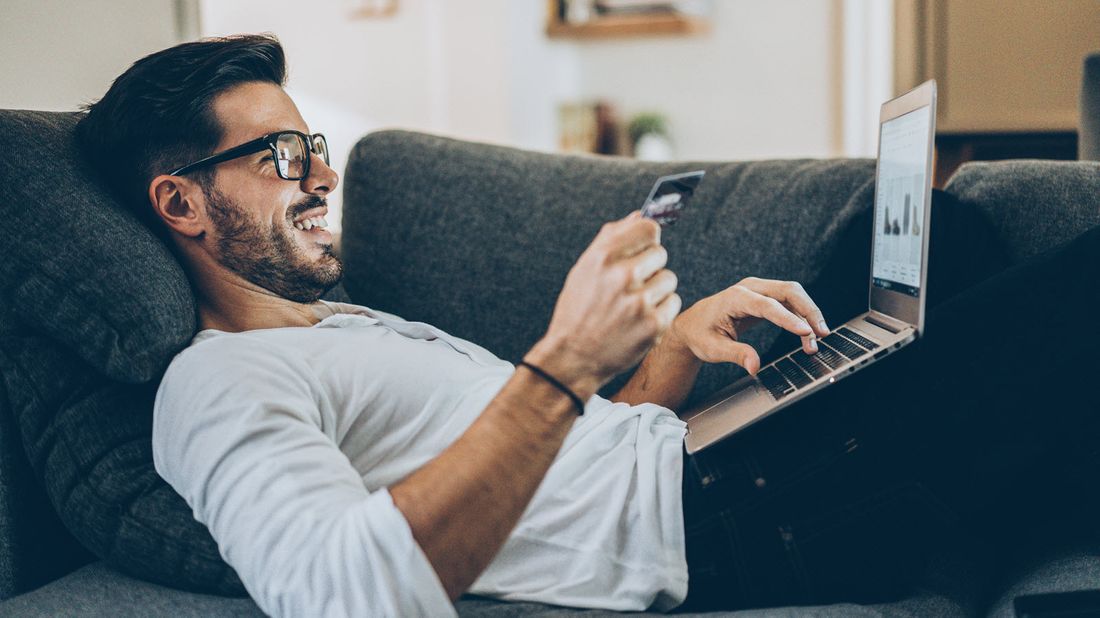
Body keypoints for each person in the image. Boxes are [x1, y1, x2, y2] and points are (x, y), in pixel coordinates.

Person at [74, 34, 1099, 616]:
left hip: (705, 454)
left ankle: (996, 477)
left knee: (943, 227)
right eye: (281, 156)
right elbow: (342, 595)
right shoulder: (215, 387)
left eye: (315, 144)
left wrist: (664, 355)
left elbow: (566, 472)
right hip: (739, 518)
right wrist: (561, 364)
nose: (322, 175)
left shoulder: (330, 325)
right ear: (179, 203)